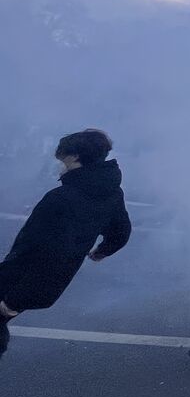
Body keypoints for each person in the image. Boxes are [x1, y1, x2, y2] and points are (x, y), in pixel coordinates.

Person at [0, 129, 131, 361]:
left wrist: (14, 300)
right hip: (47, 286)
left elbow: (35, 249)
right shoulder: (111, 192)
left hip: (18, 281)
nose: (60, 164)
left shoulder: (61, 198)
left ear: (75, 157)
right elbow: (121, 232)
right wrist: (101, 251)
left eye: (63, 158)